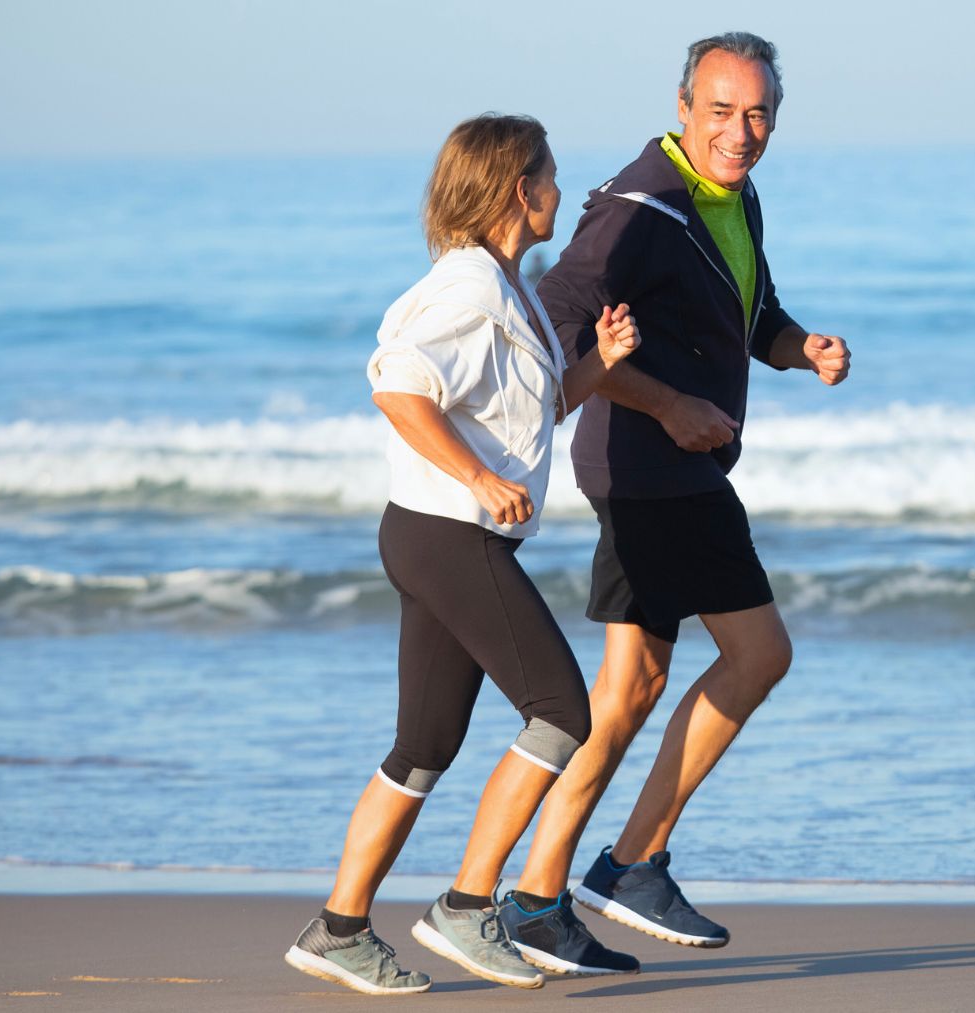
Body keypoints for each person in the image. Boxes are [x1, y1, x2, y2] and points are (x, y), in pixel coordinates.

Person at [495, 32, 852, 974]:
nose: (743, 131)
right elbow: (560, 313)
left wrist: (799, 345)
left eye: (759, 113)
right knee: (760, 652)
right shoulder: (639, 204)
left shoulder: (729, 198)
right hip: (654, 471)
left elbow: (752, 315)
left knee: (628, 691)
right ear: (684, 107)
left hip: (662, 471)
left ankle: (536, 897)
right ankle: (634, 860)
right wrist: (666, 401)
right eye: (723, 111)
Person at [282, 113, 641, 996]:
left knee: (424, 744)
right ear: (521, 188)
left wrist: (598, 363)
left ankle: (338, 929)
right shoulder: (468, 292)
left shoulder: (508, 289)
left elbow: (536, 412)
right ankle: (467, 903)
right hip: (450, 533)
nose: (561, 191)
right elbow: (396, 386)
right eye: (553, 177)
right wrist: (479, 479)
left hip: (430, 533)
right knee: (562, 709)